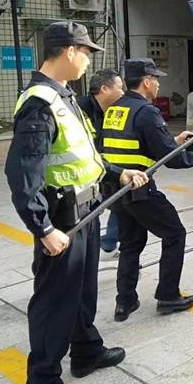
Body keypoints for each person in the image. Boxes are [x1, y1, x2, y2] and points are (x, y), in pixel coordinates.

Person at [4, 22, 149, 384]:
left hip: (88, 209)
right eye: (86, 52)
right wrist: (43, 228)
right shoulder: (39, 103)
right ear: (68, 51)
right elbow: (22, 175)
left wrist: (118, 173)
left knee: (83, 291)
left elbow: (86, 157)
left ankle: (85, 351)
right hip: (62, 218)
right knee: (54, 301)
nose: (88, 61)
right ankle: (43, 383)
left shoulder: (64, 96)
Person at [101, 57, 193, 322]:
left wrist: (173, 140)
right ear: (146, 81)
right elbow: (172, 160)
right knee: (175, 233)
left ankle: (124, 302)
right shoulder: (147, 111)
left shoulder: (115, 109)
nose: (157, 84)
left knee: (130, 243)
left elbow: (136, 146)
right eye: (155, 79)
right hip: (140, 190)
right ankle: (168, 295)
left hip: (117, 190)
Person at [78, 68, 124, 260]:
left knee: (122, 201)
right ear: (105, 89)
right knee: (89, 213)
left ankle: (107, 245)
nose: (123, 92)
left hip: (103, 169)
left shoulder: (114, 111)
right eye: (120, 87)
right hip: (82, 175)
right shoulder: (79, 109)